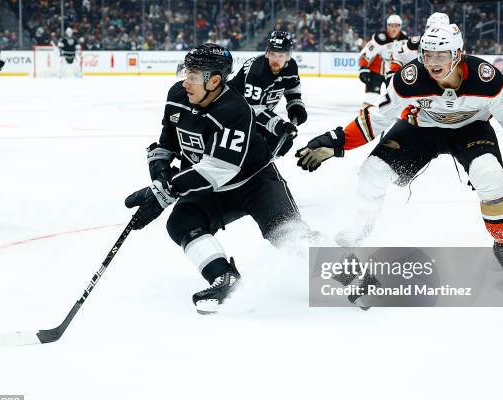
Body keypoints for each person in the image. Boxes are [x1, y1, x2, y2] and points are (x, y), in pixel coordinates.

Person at [296, 23, 503, 276]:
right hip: (421, 128)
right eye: (428, 54)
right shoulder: (409, 79)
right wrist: (338, 140)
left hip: (471, 129)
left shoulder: (487, 79)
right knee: (373, 170)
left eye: (441, 55)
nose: (433, 62)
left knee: (490, 176)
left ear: (457, 54)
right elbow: (377, 118)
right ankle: (361, 226)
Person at [125, 44, 316, 314]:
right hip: (208, 189)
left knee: (288, 234)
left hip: (255, 184)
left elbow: (217, 169)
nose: (186, 82)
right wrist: (159, 175)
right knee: (181, 223)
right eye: (186, 73)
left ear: (214, 80)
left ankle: (354, 275)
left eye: (193, 76)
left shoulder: (234, 108)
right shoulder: (177, 95)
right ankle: (225, 277)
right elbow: (167, 142)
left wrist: (165, 192)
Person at [228, 30, 306, 156]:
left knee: (283, 141)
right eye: (273, 54)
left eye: (280, 56)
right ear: (267, 52)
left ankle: (261, 169)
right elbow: (252, 108)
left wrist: (296, 105)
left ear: (287, 56)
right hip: (232, 114)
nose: (276, 59)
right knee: (253, 145)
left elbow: (292, 88)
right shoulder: (257, 72)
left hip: (251, 115)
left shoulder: (291, 66)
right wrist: (278, 124)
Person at [384, 13, 450, 85]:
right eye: (431, 29)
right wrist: (392, 78)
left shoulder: (453, 45)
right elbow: (398, 56)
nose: (434, 33)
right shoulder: (414, 44)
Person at [358, 14, 407, 107]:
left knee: (396, 98)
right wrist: (363, 68)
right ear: (387, 26)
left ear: (400, 27)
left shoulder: (404, 39)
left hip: (394, 71)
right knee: (371, 97)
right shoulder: (380, 38)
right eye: (391, 25)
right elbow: (367, 52)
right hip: (376, 71)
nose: (393, 28)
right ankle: (365, 115)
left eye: (396, 26)